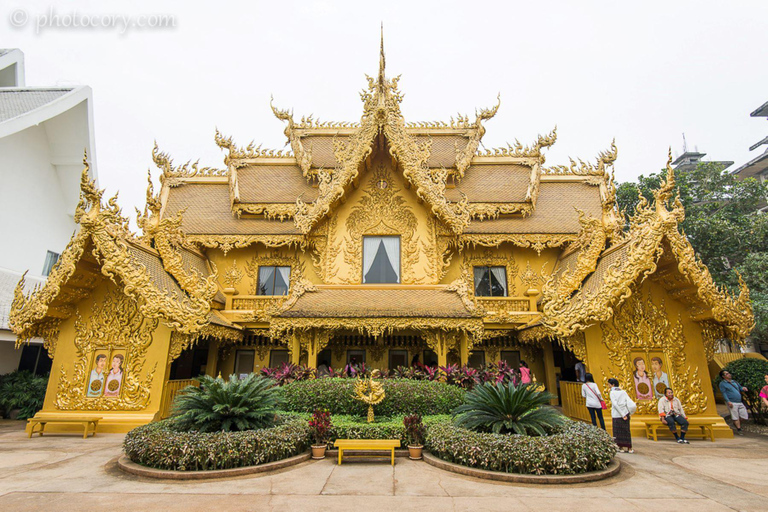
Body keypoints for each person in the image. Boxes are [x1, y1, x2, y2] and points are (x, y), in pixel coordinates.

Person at [608, 378, 636, 453]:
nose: (608, 386)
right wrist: (626, 413)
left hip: (617, 414)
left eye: (609, 384)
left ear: (613, 385)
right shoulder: (623, 392)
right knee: (626, 431)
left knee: (617, 432)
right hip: (625, 412)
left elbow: (615, 404)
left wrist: (622, 414)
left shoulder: (612, 392)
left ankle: (620, 447)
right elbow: (629, 402)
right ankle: (629, 448)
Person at [719, 369, 749, 435]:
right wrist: (728, 401)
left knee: (744, 416)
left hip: (739, 401)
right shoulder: (722, 384)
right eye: (726, 374)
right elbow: (724, 393)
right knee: (735, 416)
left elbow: (740, 388)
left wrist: (743, 388)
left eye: (728, 373)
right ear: (723, 376)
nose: (729, 374)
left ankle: (736, 423)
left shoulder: (734, 382)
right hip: (732, 402)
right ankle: (739, 429)